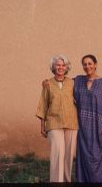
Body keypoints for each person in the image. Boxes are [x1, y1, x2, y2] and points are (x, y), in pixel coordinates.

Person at [43, 54, 102, 182]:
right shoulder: (78, 81)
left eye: (90, 63)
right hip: (82, 126)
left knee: (93, 154)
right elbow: (60, 82)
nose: (87, 66)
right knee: (83, 156)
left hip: (98, 126)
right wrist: (47, 82)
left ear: (95, 65)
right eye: (85, 64)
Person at [36, 54, 79, 182]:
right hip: (53, 123)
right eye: (58, 65)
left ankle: (66, 180)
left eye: (63, 65)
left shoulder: (73, 82)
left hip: (72, 123)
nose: (60, 67)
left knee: (68, 156)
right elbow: (43, 105)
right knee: (58, 154)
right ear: (53, 67)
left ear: (66, 67)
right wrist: (42, 126)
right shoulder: (47, 84)